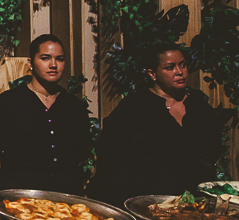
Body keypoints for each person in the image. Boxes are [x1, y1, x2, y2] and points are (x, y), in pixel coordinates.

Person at [90, 43, 225, 207]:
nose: (179, 72)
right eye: (170, 67)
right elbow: (109, 152)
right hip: (144, 201)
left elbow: (213, 149)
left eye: (183, 65)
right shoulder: (134, 106)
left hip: (193, 203)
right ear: (152, 74)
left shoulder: (199, 107)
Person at [0, 33, 92, 196]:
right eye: (45, 58)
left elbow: (81, 153)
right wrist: (7, 189)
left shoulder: (74, 107)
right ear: (30, 63)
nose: (53, 65)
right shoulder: (8, 103)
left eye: (60, 59)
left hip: (65, 199)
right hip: (18, 197)